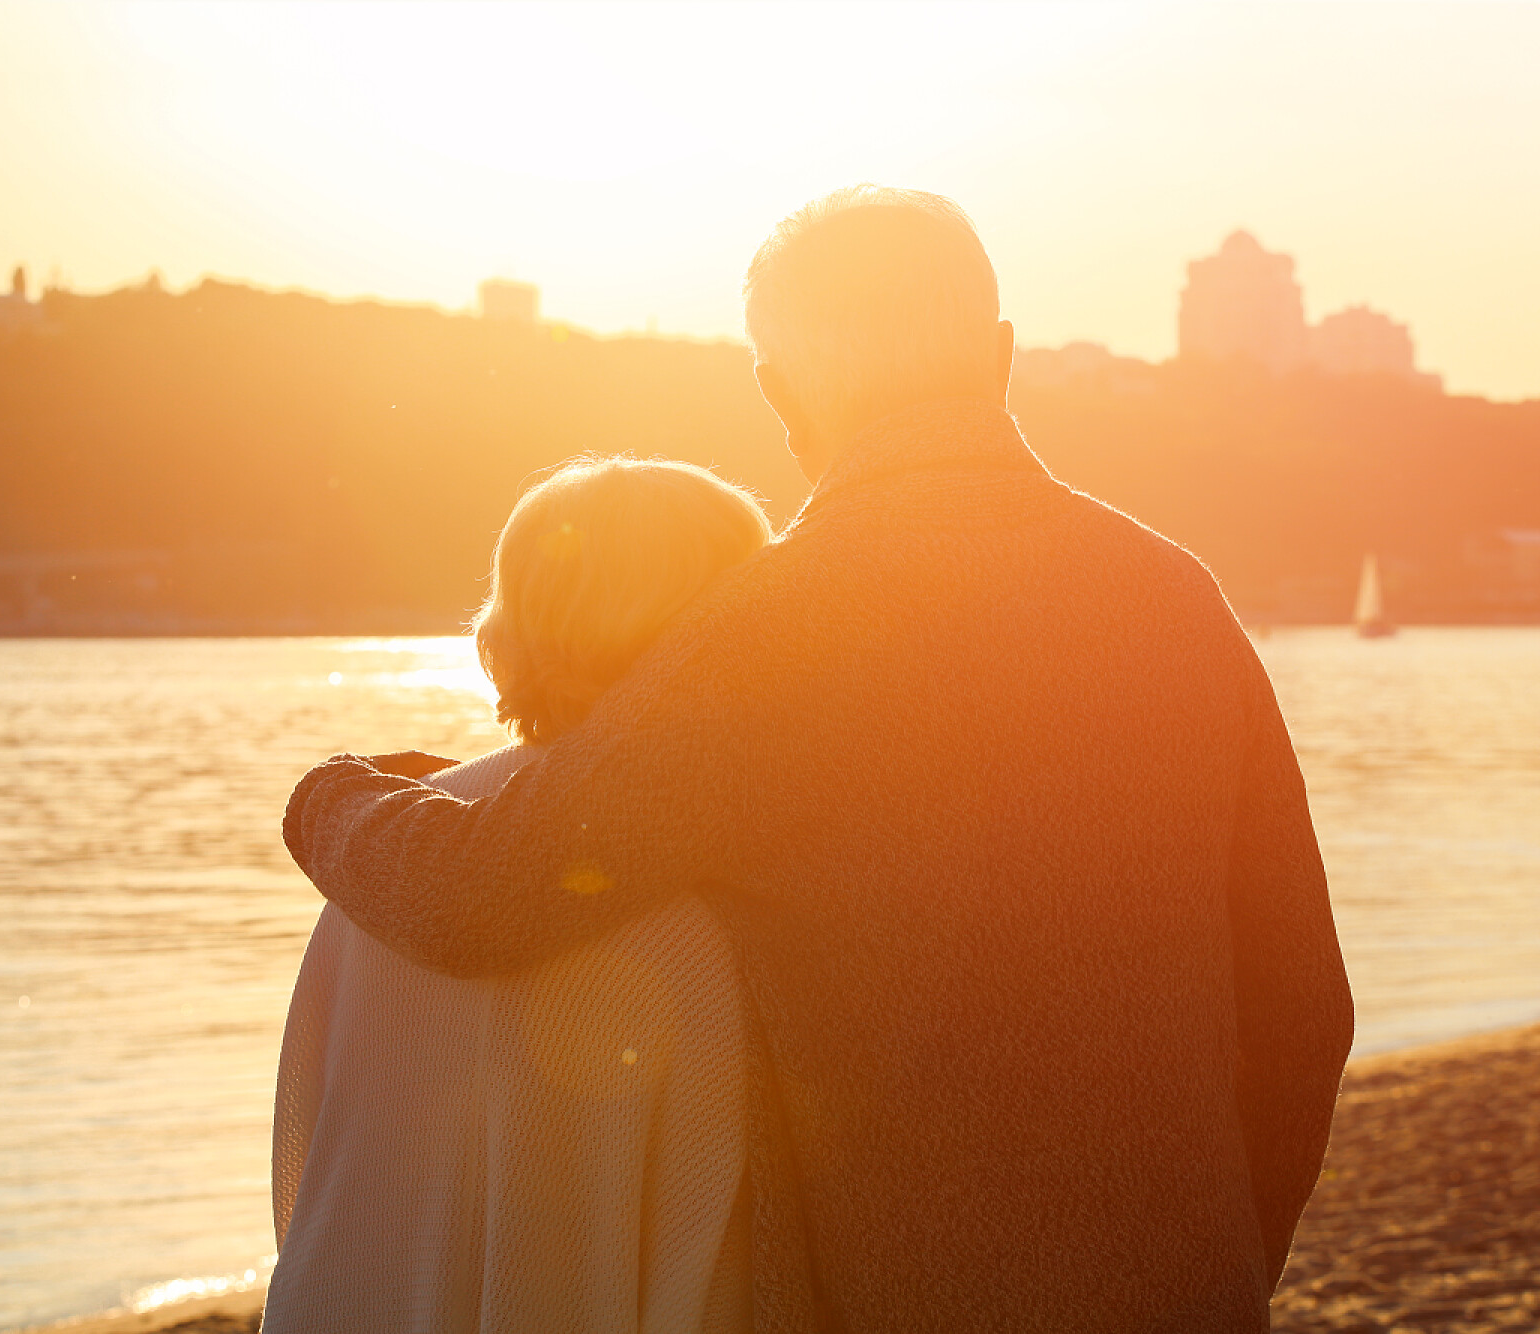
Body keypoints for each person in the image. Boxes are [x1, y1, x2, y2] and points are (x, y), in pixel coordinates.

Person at [285, 187, 1355, 1332]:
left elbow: (488, 892)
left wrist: (332, 796)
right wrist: (1225, 1263)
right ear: (1001, 354)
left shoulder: (773, 631)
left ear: (779, 392)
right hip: (1191, 1293)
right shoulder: (1177, 601)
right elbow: (1303, 1012)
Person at [266, 458, 777, 1333]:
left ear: (510, 627)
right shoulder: (725, 899)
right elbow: (718, 1247)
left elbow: (302, 1161)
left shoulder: (379, 861)